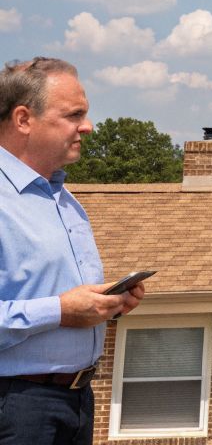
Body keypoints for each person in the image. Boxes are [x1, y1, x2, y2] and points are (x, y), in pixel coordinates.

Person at [0, 58, 146, 445]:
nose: (88, 126)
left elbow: (61, 297)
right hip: (16, 406)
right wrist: (61, 311)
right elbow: (60, 307)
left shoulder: (62, 198)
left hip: (77, 400)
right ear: (23, 119)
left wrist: (106, 306)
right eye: (74, 114)